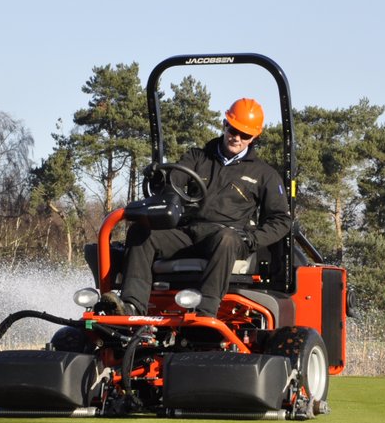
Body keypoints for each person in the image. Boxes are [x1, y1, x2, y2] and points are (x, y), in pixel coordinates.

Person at [103, 98, 291, 317]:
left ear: (254, 137)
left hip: (228, 237)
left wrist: (253, 239)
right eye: (233, 129)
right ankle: (132, 306)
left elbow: (281, 220)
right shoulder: (197, 158)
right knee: (141, 232)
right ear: (225, 124)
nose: (237, 138)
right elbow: (175, 182)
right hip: (188, 232)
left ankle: (205, 311)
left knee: (227, 239)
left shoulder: (264, 174)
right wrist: (164, 186)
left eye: (245, 135)